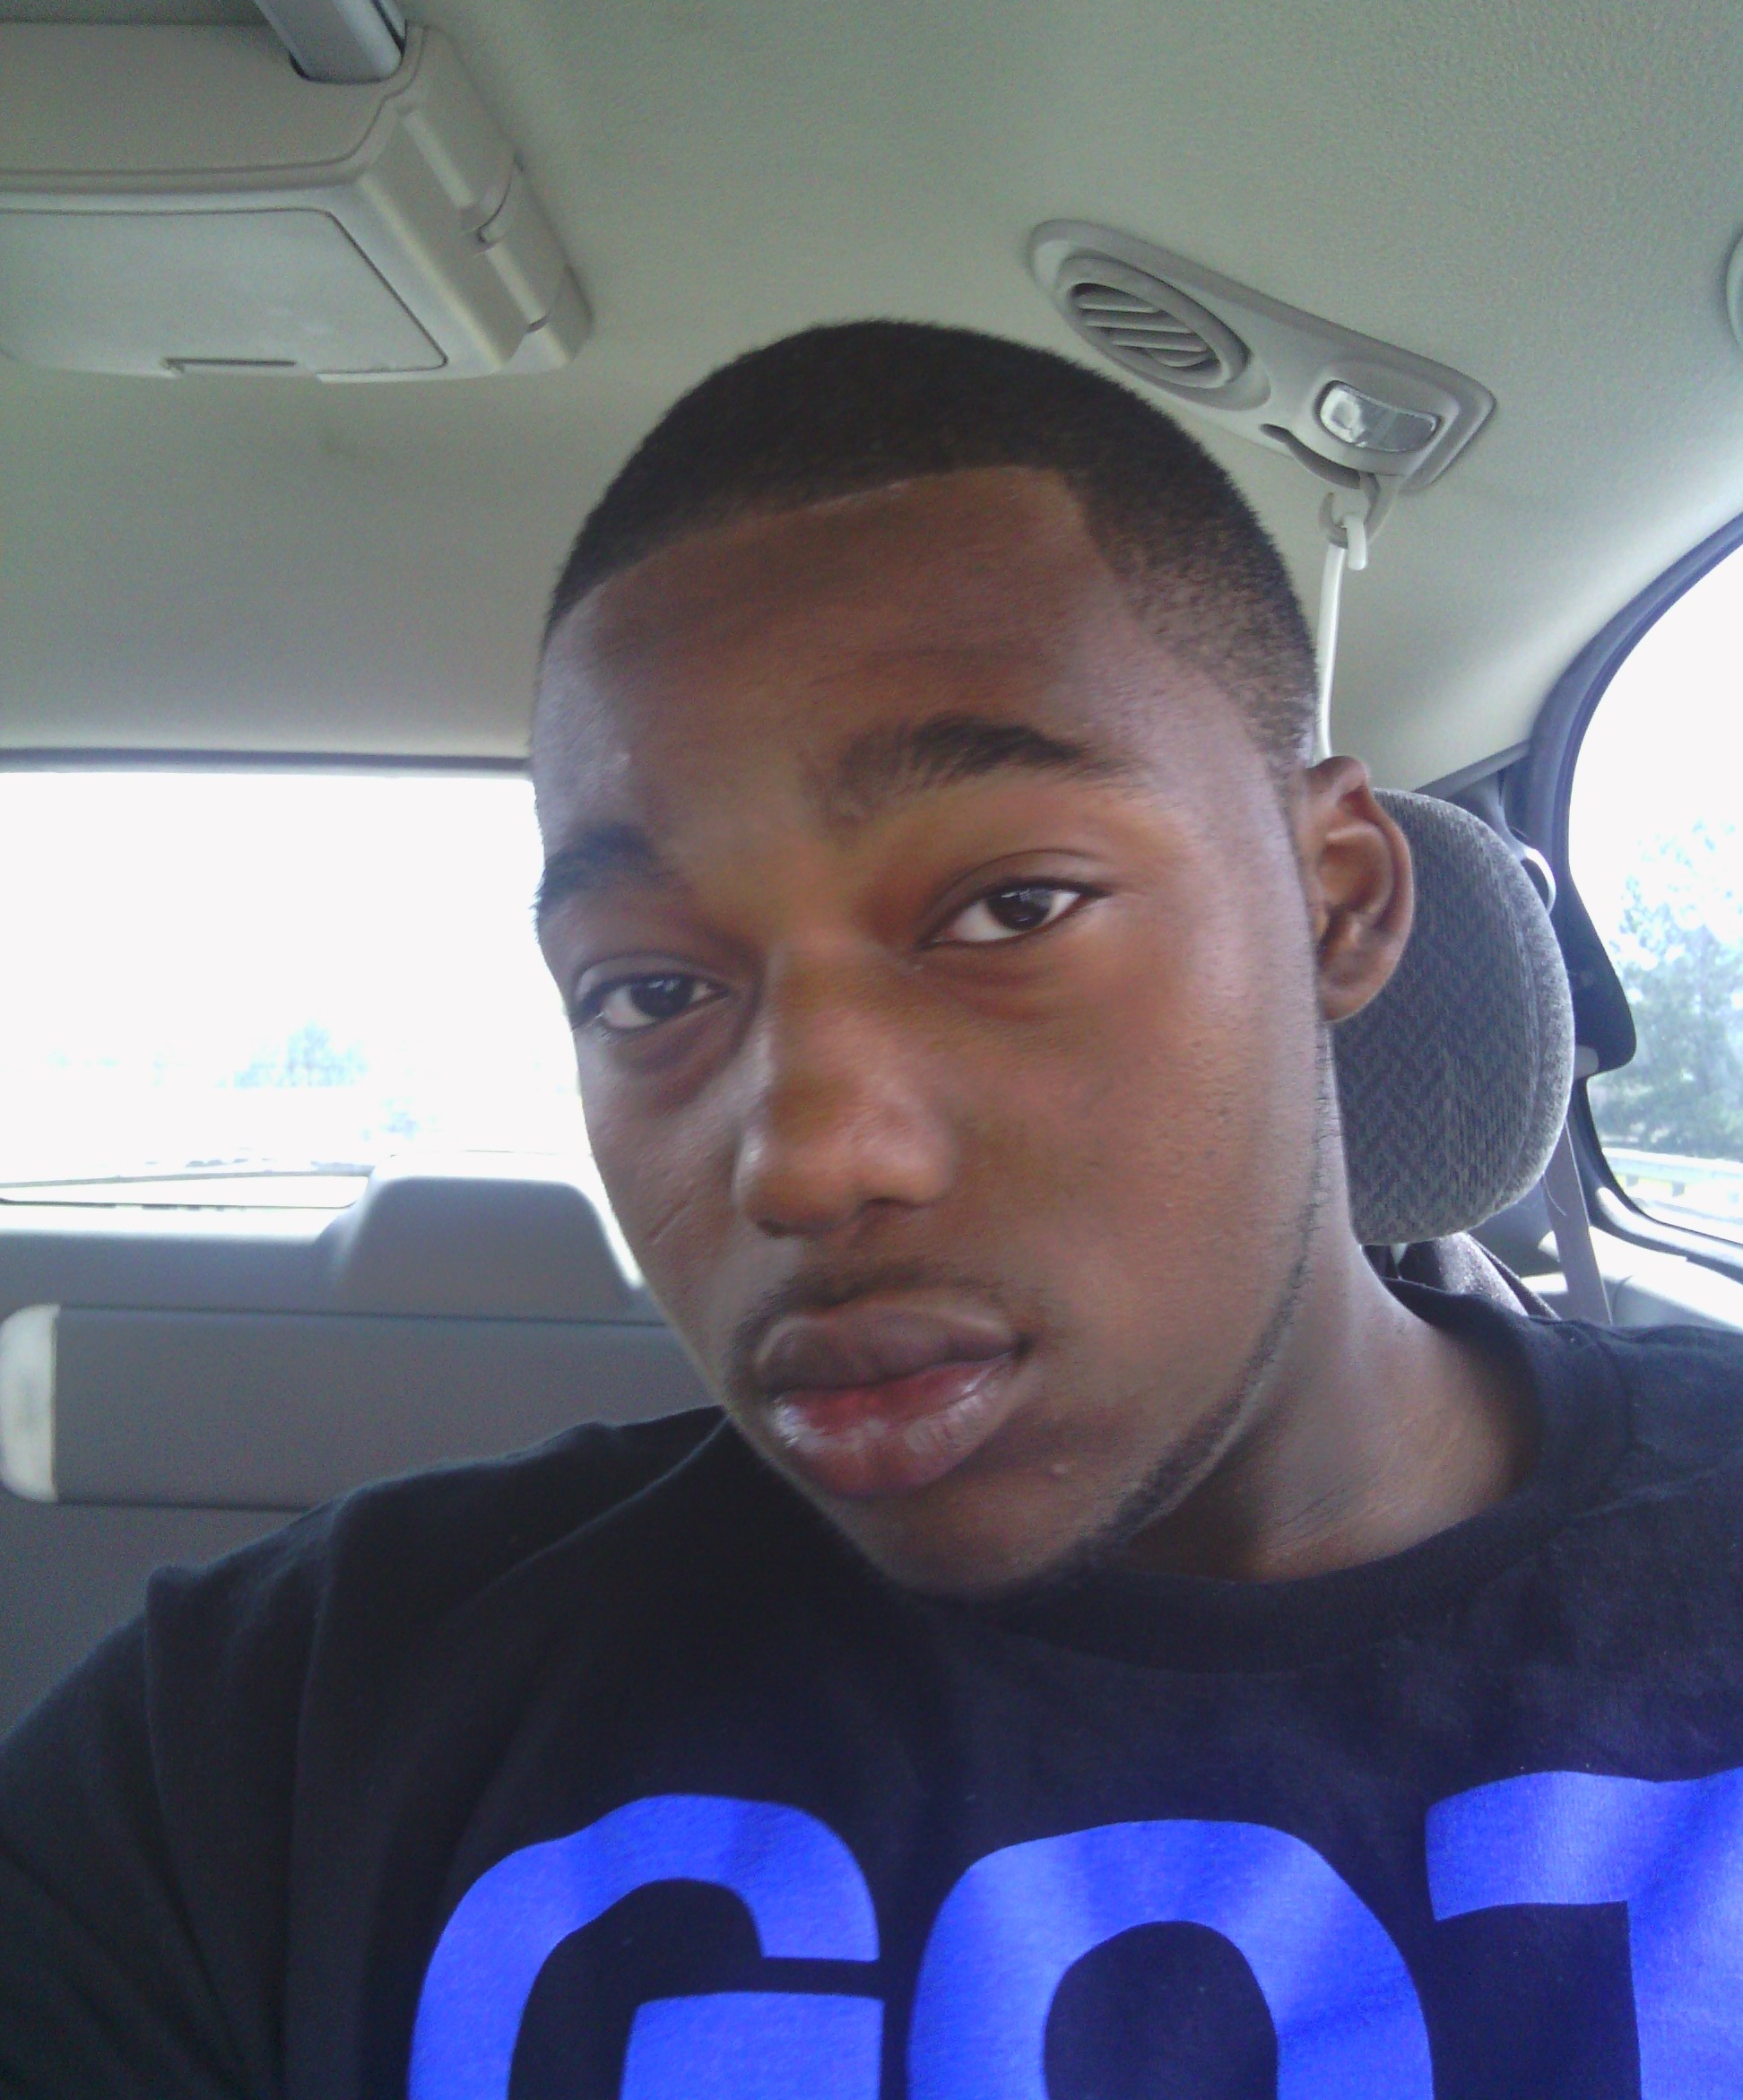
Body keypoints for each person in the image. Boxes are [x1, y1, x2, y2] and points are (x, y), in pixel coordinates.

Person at [1, 322, 1739, 2099]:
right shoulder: (278, 1743)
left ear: (1340, 902)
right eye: (649, 993)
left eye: (1010, 908)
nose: (806, 1159)